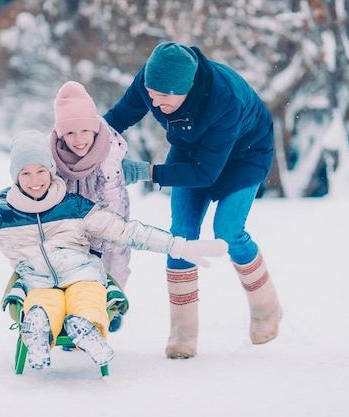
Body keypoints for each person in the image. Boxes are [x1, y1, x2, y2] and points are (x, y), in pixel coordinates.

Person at [0, 130, 228, 370]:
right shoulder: (1, 216)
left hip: (80, 272)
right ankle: (38, 333)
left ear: (51, 172)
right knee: (43, 301)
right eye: (25, 173)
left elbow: (127, 232)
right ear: (16, 177)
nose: (34, 180)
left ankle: (84, 328)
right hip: (36, 279)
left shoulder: (75, 206)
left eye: (40, 171)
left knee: (89, 293)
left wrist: (181, 245)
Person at [103, 41, 283, 359]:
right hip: (192, 149)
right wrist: (77, 142)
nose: (154, 104)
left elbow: (204, 174)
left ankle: (266, 308)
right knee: (181, 237)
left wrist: (147, 171)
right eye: (151, 95)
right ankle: (182, 333)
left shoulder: (224, 99)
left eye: (164, 98)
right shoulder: (153, 81)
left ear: (185, 90)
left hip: (246, 154)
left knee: (228, 230)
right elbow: (117, 118)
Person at [50, 81, 131, 332]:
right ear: (61, 134)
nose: (79, 139)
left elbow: (113, 202)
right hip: (71, 219)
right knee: (70, 265)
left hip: (108, 218)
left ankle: (111, 303)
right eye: (71, 133)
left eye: (85, 131)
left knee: (113, 260)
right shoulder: (52, 155)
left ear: (95, 129)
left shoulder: (107, 156)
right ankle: (73, 314)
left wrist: (101, 242)